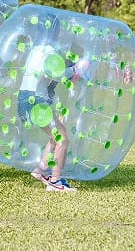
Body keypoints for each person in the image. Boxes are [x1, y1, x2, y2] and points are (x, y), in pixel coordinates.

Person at [20, 41, 87, 193]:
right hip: (36, 103)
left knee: (56, 135)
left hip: (29, 101)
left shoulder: (41, 52)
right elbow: (55, 73)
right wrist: (76, 68)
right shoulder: (52, 55)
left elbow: (56, 79)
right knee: (62, 139)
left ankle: (40, 170)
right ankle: (55, 182)